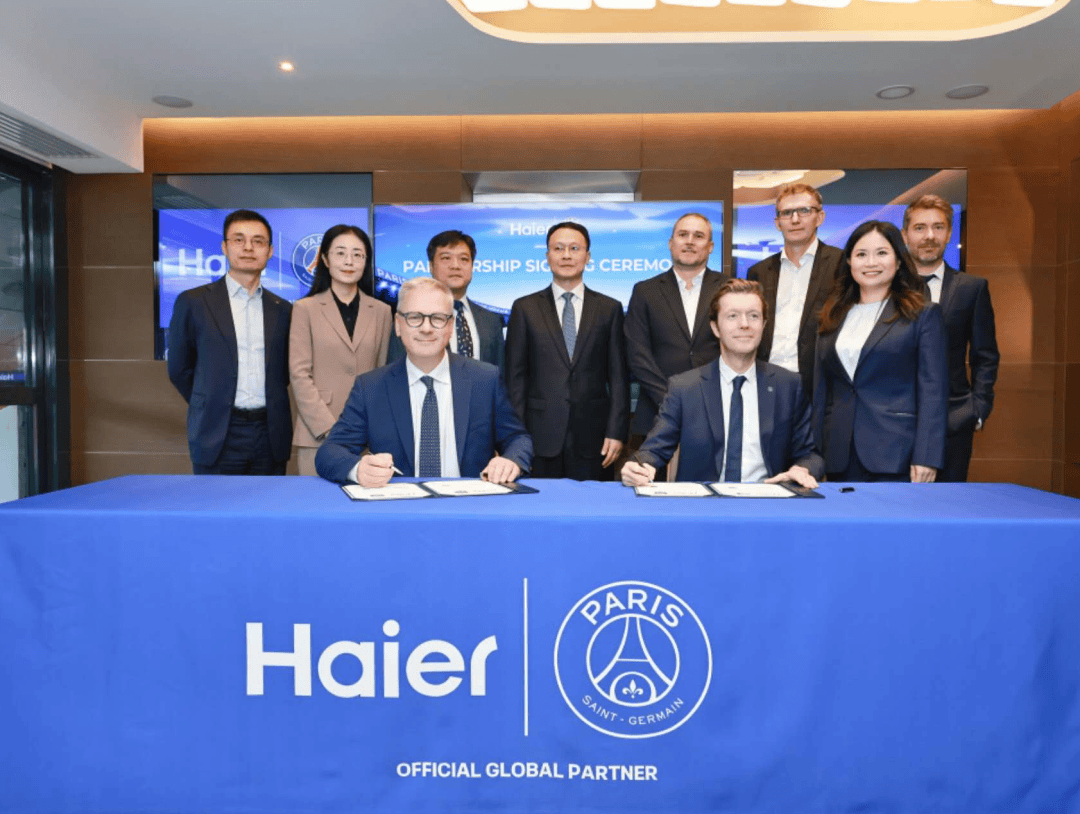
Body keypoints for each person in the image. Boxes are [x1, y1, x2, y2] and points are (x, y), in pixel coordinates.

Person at [315, 277, 530, 486]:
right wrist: (358, 469)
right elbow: (329, 452)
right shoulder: (370, 387)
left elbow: (517, 439)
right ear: (398, 325)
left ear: (450, 326)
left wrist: (510, 461)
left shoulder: (485, 380)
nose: (426, 328)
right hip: (400, 505)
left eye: (437, 318)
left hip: (468, 503)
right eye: (414, 317)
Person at [622, 279, 823, 487]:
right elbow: (653, 451)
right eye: (732, 316)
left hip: (766, 499)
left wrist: (802, 469)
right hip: (703, 503)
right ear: (715, 327)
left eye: (753, 316)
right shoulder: (685, 388)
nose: (744, 324)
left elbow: (810, 454)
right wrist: (639, 466)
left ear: (763, 325)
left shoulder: (788, 386)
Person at [813, 220, 948, 483]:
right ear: (849, 262)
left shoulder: (923, 315)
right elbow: (821, 393)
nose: (871, 262)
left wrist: (927, 455)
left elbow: (934, 391)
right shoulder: (831, 316)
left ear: (898, 261)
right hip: (838, 453)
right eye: (861, 254)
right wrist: (814, 456)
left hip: (896, 452)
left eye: (882, 253)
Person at [167, 209, 292, 474]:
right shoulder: (194, 302)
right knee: (215, 501)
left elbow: (285, 372)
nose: (248, 248)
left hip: (269, 434)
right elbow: (179, 368)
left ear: (270, 251)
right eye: (239, 239)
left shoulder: (283, 309)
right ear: (224, 247)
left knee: (269, 501)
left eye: (258, 241)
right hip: (216, 432)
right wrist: (210, 402)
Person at [505, 221, 630, 481]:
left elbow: (619, 377)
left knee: (592, 504)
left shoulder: (609, 309)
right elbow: (515, 379)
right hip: (537, 437)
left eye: (574, 248)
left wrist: (616, 431)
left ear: (587, 256)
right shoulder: (524, 308)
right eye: (558, 248)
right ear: (547, 256)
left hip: (595, 438)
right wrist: (514, 437)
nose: (566, 255)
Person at [902, 195, 999, 482]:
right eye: (919, 228)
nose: (929, 236)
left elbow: (985, 356)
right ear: (905, 235)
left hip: (953, 423)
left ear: (948, 234)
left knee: (944, 505)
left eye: (938, 227)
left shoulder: (972, 288)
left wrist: (976, 410)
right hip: (894, 423)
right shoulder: (886, 287)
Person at [289, 224, 392, 476]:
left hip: (366, 435)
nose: (349, 261)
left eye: (358, 254)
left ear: (366, 262)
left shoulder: (382, 311)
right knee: (317, 500)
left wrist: (370, 428)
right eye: (340, 253)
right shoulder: (305, 308)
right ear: (325, 259)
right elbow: (299, 375)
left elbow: (382, 372)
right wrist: (329, 429)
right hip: (317, 433)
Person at [624, 213, 727, 447]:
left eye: (698, 236)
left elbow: (739, 347)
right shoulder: (645, 291)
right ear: (671, 243)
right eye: (683, 235)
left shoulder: (729, 289)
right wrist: (671, 401)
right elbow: (637, 355)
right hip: (657, 414)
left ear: (710, 246)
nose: (689, 241)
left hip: (717, 411)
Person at [747, 183, 843, 394]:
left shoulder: (841, 264)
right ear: (777, 223)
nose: (795, 219)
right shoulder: (758, 272)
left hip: (820, 384)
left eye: (804, 211)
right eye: (787, 213)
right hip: (766, 383)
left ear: (820, 217)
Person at [388, 230, 506, 372]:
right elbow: (395, 371)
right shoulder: (410, 317)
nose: (455, 265)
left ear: (472, 266)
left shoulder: (491, 320)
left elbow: (500, 375)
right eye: (446, 258)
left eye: (464, 259)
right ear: (431, 266)